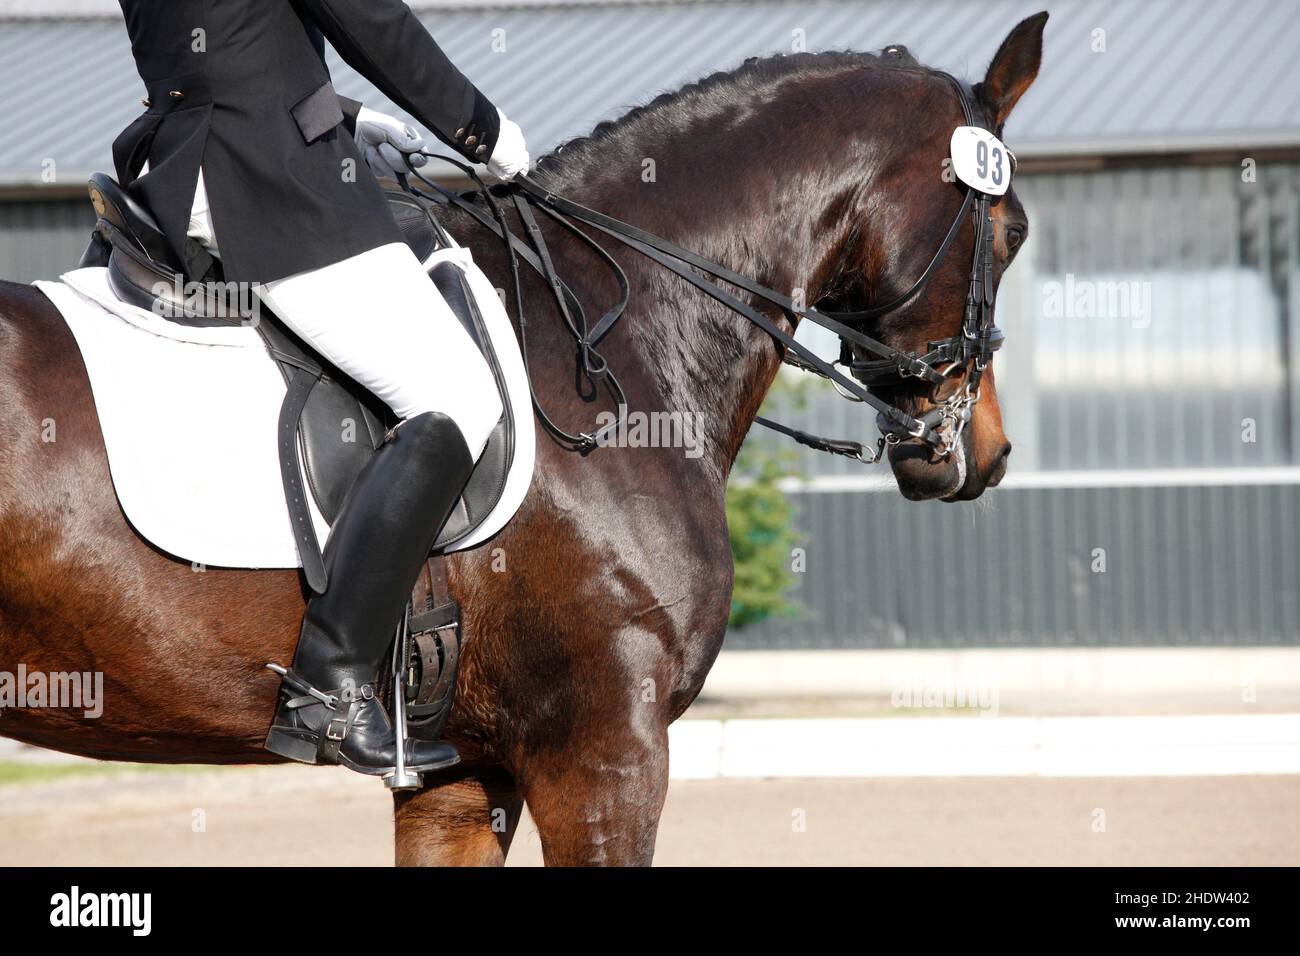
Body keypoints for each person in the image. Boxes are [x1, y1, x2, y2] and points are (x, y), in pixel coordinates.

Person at [111, 0, 530, 776]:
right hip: (264, 179)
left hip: (188, 158)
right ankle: (328, 686)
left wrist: (341, 113)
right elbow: (369, 17)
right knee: (457, 396)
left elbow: (218, 40)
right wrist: (480, 128)